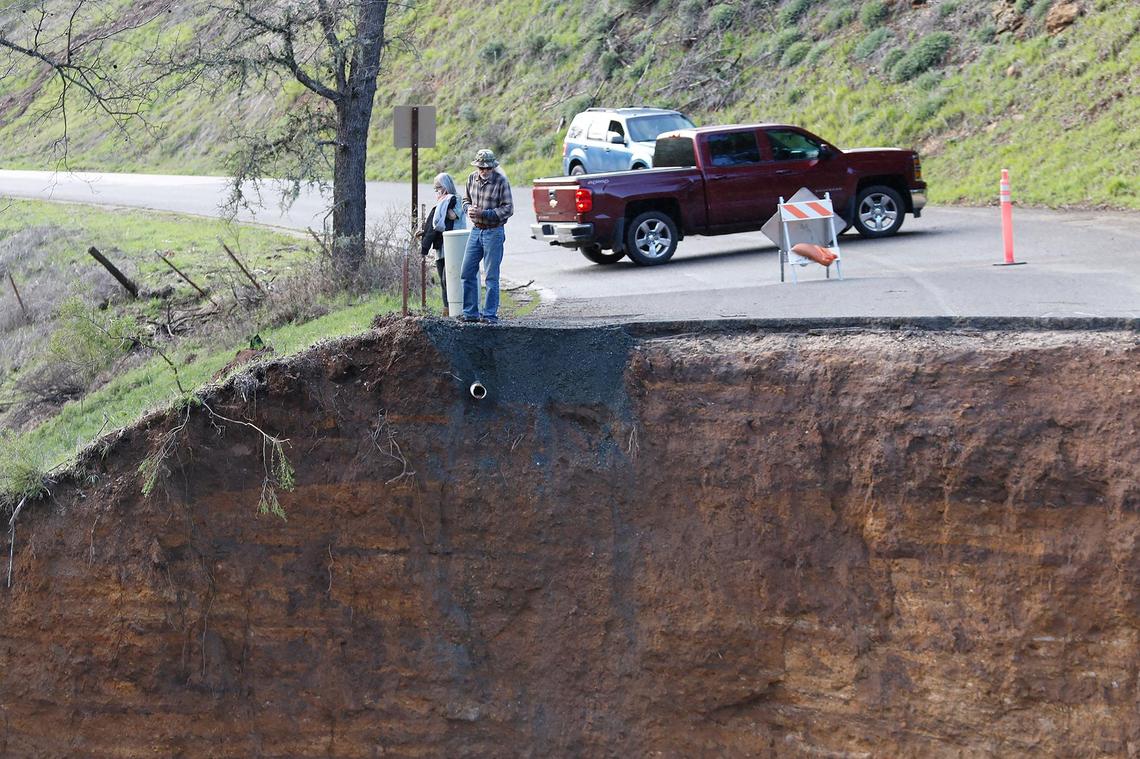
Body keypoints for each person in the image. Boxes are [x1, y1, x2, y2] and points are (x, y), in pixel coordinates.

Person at [460, 148, 513, 323]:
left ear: (493, 167)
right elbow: (465, 200)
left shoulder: (501, 182)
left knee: (491, 276)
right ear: (477, 167)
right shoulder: (471, 179)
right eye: (481, 168)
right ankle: (470, 313)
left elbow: (508, 209)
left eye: (488, 168)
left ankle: (489, 315)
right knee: (467, 271)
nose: (484, 171)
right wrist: (469, 210)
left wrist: (485, 213)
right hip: (476, 230)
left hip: (494, 231)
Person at [417, 172, 465, 315]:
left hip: (454, 245)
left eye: (438, 187)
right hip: (441, 247)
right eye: (435, 188)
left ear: (445, 186)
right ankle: (447, 310)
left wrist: (446, 200)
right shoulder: (440, 203)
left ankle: (456, 310)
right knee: (442, 281)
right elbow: (436, 224)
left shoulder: (456, 199)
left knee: (449, 278)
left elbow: (452, 216)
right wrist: (424, 233)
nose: (437, 191)